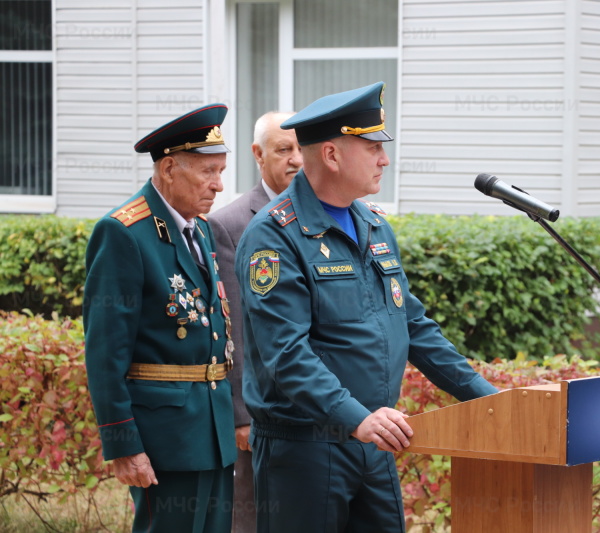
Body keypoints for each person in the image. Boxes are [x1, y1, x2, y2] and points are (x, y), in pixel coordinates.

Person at [235, 81, 498, 532]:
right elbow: (287, 354)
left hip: (373, 443)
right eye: (373, 145)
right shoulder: (274, 236)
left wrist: (488, 398)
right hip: (306, 449)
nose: (385, 158)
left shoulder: (373, 225)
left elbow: (412, 324)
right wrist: (358, 418)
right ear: (333, 156)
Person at [84, 104, 237, 533]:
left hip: (212, 428)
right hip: (164, 437)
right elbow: (104, 352)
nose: (219, 186)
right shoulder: (123, 233)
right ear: (169, 168)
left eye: (221, 171)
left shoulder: (200, 229)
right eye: (208, 172)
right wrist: (123, 444)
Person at [207, 111, 302, 532]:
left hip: (321, 410)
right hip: (264, 409)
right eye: (284, 149)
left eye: (303, 148)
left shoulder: (328, 216)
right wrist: (241, 415)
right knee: (253, 515)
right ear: (258, 155)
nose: (297, 159)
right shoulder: (229, 224)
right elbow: (235, 328)